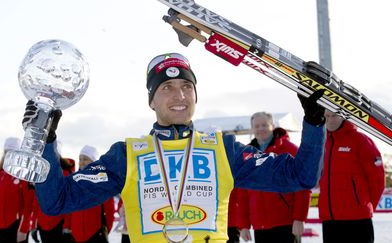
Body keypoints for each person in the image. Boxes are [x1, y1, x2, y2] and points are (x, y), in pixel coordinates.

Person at [23, 53, 326, 242]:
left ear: (195, 95)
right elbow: (56, 201)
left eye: (186, 87)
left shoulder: (225, 149)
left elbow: (301, 176)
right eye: (166, 88)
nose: (179, 95)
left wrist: (314, 120)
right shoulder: (126, 155)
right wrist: (46, 143)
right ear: (151, 100)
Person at [227, 112, 311, 243]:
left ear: (272, 125)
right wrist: (243, 225)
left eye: (264, 125)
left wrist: (299, 218)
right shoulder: (247, 153)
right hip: (260, 225)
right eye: (257, 126)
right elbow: (242, 192)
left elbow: (303, 186)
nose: (261, 129)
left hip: (286, 223)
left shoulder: (290, 149)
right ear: (252, 129)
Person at [319, 110, 385, 243]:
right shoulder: (322, 142)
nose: (330, 120)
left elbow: (377, 179)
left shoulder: (361, 140)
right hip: (330, 220)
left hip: (357, 220)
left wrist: (364, 206)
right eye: (327, 116)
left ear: (343, 116)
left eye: (334, 116)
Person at [0, 137, 33, 243]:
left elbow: (29, 206)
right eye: (6, 152)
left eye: (12, 152)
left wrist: (23, 229)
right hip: (0, 227)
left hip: (16, 227)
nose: (8, 155)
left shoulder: (24, 175)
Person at [69, 145, 115, 243]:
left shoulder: (102, 180)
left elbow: (109, 209)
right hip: (76, 233)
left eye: (85, 159)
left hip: (95, 233)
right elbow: (69, 208)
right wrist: (68, 227)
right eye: (80, 159)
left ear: (93, 161)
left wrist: (106, 229)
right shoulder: (74, 181)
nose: (81, 162)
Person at [29, 151, 75, 243]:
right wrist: (34, 225)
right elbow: (36, 203)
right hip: (42, 226)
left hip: (59, 225)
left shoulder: (65, 173)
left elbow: (68, 203)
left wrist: (67, 226)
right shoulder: (40, 175)